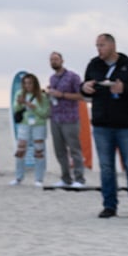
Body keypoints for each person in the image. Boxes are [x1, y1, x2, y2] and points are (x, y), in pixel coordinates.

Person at [80, 32, 128, 218]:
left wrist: (124, 88)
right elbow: (85, 87)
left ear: (112, 45)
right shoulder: (94, 65)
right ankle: (109, 206)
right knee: (106, 167)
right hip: (102, 124)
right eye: (97, 45)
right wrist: (84, 88)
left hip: (127, 125)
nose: (99, 49)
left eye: (102, 45)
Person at [46, 50, 86, 188]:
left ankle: (79, 179)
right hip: (55, 118)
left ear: (62, 61)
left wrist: (61, 95)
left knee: (74, 149)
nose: (53, 62)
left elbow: (81, 96)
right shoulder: (52, 78)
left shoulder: (73, 77)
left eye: (56, 59)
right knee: (59, 150)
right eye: (51, 60)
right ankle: (65, 178)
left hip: (70, 118)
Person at [9, 72, 50, 187]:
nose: (27, 85)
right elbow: (15, 109)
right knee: (20, 150)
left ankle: (39, 179)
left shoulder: (42, 96)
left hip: (39, 125)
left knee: (39, 151)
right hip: (24, 124)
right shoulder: (19, 93)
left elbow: (45, 113)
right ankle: (18, 177)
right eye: (25, 83)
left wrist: (33, 106)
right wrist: (20, 103)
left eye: (30, 83)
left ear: (35, 84)